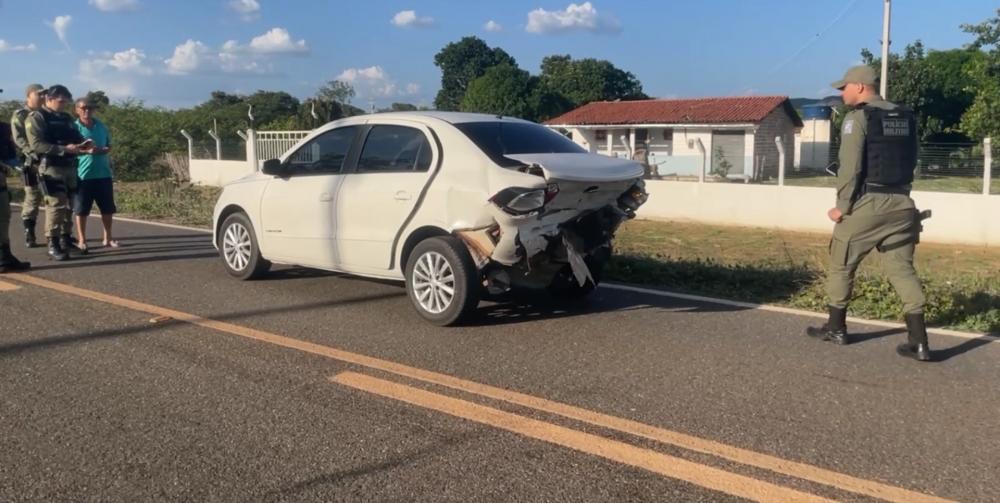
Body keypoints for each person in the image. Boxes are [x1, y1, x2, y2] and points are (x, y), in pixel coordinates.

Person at [806, 65, 931, 362]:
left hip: (867, 204)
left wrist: (843, 207)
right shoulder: (906, 116)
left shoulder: (858, 118)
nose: (841, 92)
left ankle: (836, 329)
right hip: (902, 203)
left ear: (860, 87)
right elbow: (911, 158)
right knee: (902, 270)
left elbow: (850, 169)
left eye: (844, 86)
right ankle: (920, 342)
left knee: (841, 263)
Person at [25, 84, 91, 261]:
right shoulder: (37, 117)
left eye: (65, 101)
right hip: (51, 166)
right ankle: (52, 243)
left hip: (70, 165)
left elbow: (76, 136)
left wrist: (84, 144)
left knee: (70, 205)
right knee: (56, 205)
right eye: (60, 101)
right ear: (49, 99)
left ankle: (65, 238)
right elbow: (37, 145)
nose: (63, 104)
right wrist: (64, 148)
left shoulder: (66, 117)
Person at [72, 97, 118, 252]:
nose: (87, 110)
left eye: (90, 108)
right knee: (82, 210)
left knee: (107, 209)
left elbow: (109, 145)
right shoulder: (73, 127)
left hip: (103, 173)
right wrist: (85, 151)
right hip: (83, 175)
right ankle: (82, 240)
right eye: (83, 108)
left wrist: (103, 150)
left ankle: (108, 237)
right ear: (76, 109)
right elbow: (70, 150)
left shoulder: (101, 126)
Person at [10, 84, 46, 248]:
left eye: (44, 94)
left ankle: (58, 234)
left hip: (49, 161)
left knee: (55, 197)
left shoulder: (45, 114)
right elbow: (19, 139)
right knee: (32, 197)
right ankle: (29, 233)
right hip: (30, 162)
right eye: (39, 94)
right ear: (29, 96)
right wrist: (33, 153)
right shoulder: (21, 114)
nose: (42, 97)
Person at [0, 114, 31, 272]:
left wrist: (21, 167)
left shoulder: (3, 128)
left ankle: (4, 256)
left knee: (3, 218)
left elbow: (10, 156)